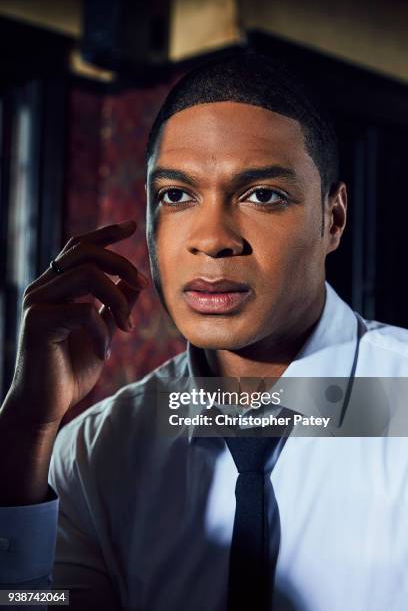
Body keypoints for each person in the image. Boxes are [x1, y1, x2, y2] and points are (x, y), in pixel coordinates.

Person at [1, 51, 408, 611]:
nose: (212, 238)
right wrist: (25, 429)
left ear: (332, 220)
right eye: (177, 195)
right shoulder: (95, 449)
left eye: (263, 195)